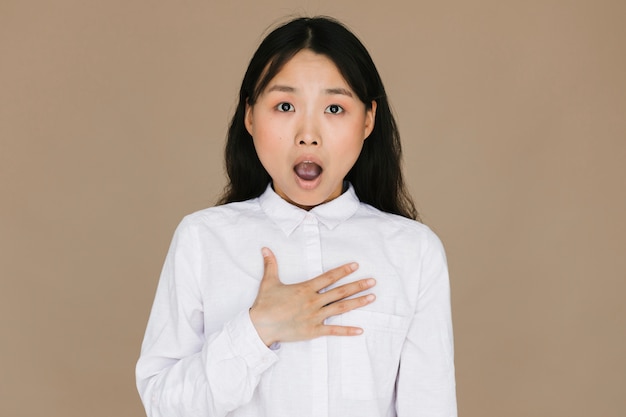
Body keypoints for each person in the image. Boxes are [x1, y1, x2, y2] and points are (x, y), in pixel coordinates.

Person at [136, 16, 457, 417]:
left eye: (335, 108)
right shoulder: (202, 240)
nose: (309, 133)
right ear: (250, 116)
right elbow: (164, 406)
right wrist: (258, 329)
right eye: (285, 105)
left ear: (369, 120)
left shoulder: (414, 251)